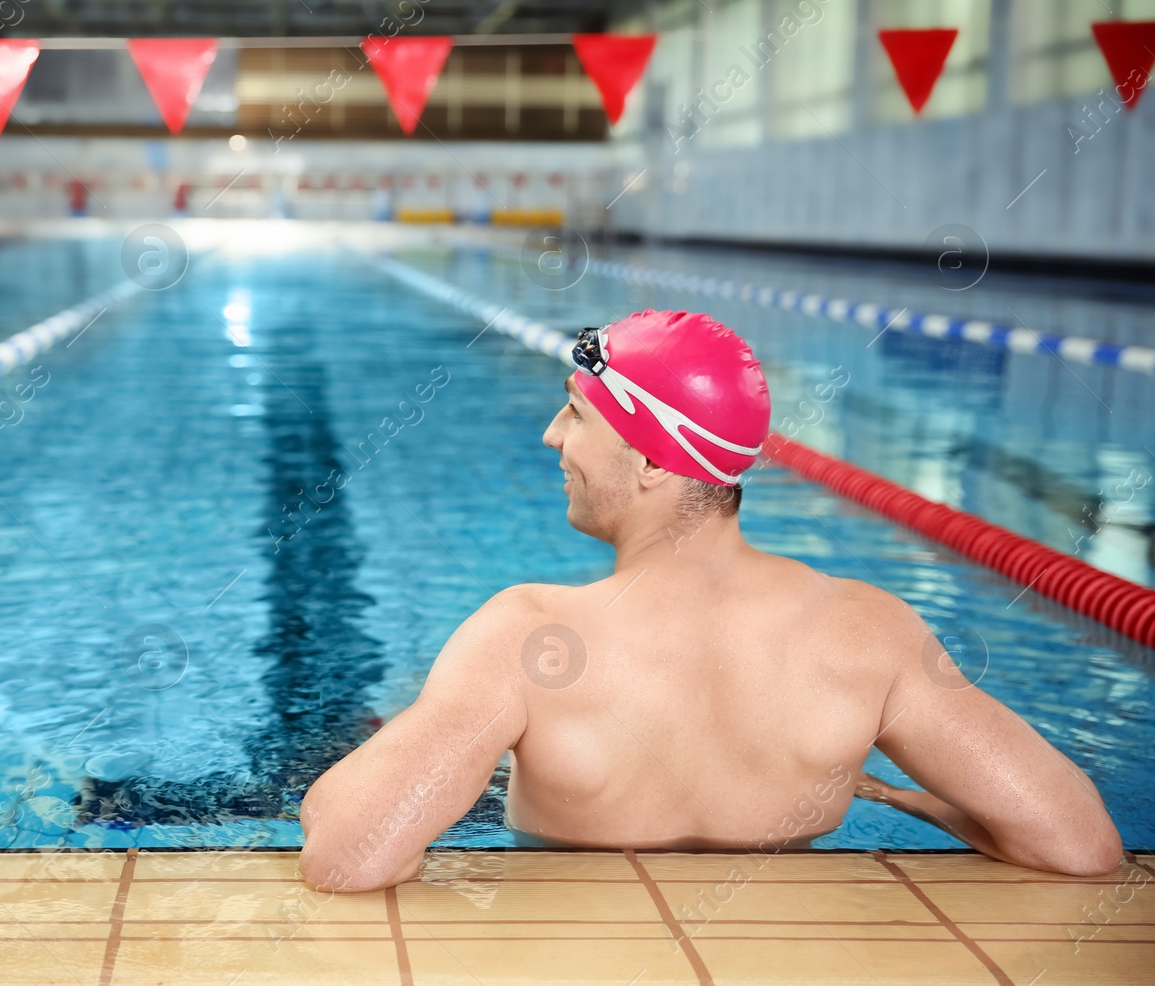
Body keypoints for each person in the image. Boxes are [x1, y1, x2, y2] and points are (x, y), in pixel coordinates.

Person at [298, 310, 1124, 892]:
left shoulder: (529, 635)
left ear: (654, 462)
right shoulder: (868, 629)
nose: (553, 435)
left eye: (576, 413)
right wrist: (908, 796)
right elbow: (1079, 845)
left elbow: (346, 856)